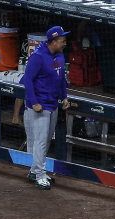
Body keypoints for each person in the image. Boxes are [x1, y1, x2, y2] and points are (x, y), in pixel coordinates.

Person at [22, 25, 70, 190]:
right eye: (62, 41)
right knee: (40, 141)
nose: (65, 43)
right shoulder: (38, 56)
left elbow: (61, 78)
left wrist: (64, 97)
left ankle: (35, 171)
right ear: (54, 41)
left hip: (53, 103)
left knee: (47, 140)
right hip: (40, 105)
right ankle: (40, 176)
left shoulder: (60, 55)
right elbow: (27, 80)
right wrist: (34, 102)